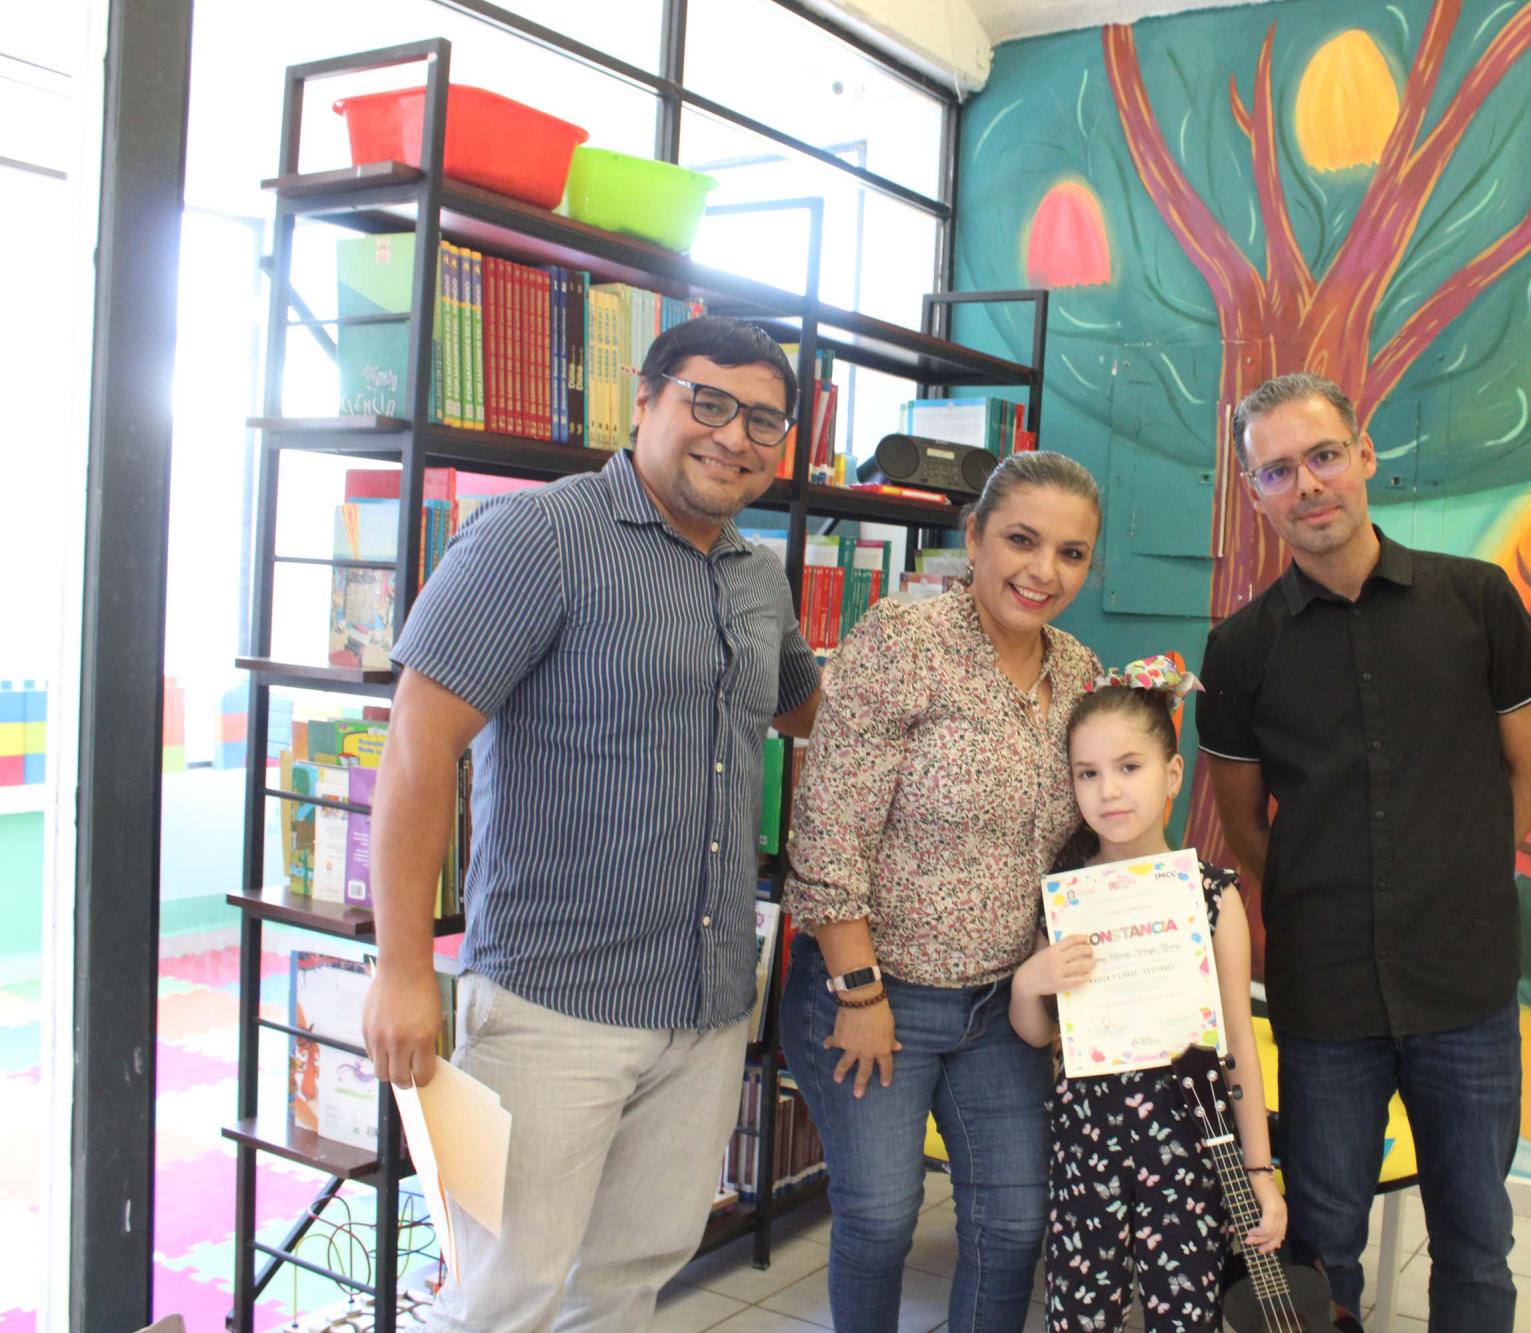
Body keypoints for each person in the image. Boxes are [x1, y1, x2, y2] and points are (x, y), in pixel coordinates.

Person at [359, 315, 822, 1331]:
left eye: (763, 421)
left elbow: (801, 707)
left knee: (624, 1286)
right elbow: (415, 746)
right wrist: (399, 968)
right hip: (548, 1006)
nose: (734, 437)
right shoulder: (539, 536)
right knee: (501, 1297)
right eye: (708, 403)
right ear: (644, 398)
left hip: (702, 1007)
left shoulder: (754, 572)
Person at [1193, 372, 1531, 1329]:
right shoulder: (1238, 650)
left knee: (1478, 1248)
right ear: (1253, 490)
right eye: (1278, 470)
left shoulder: (1477, 600)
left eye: (1322, 456)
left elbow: (1530, 773)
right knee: (1322, 1248)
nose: (1307, 484)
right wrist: (1329, 903)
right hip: (1327, 1003)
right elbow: (1246, 828)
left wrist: (1460, 873)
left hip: (1465, 987)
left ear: (1364, 456)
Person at [780, 450, 1104, 1333]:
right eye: (1022, 541)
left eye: (1071, 553)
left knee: (1011, 1224)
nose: (1043, 571)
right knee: (881, 1219)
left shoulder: (1078, 669)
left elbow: (1083, 832)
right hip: (879, 993)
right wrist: (859, 989)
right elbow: (830, 825)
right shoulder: (903, 640)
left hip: (1007, 1004)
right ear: (974, 538)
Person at [1010, 656, 1286, 1332]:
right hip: (1086, 1148)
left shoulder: (1213, 896)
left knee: (1186, 1315)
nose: (1109, 791)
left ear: (1171, 774)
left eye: (1129, 767)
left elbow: (1238, 1048)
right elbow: (1038, 1032)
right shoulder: (1067, 896)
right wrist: (1029, 981)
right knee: (1078, 1314)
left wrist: (1258, 1170)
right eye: (1088, 772)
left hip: (1190, 1148)